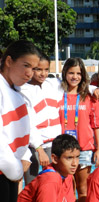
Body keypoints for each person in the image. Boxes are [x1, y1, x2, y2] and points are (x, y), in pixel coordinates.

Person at [58, 57, 99, 202]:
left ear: (83, 75)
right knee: (65, 188)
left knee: (83, 188)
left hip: (84, 149)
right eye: (71, 73)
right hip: (62, 150)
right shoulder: (58, 95)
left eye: (78, 73)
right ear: (65, 73)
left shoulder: (89, 96)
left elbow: (96, 125)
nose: (75, 77)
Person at [0, 40, 40, 202]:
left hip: (9, 173)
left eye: (33, 68)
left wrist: (24, 156)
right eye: (26, 65)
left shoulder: (17, 91)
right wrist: (16, 169)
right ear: (9, 61)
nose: (30, 73)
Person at [21, 52, 62, 185]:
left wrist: (93, 88)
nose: (43, 74)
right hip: (34, 149)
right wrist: (39, 149)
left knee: (52, 185)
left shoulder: (53, 84)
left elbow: (75, 85)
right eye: (38, 69)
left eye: (46, 69)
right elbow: (29, 123)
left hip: (53, 146)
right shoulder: (23, 90)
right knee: (33, 186)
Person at [18, 134, 80, 202]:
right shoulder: (50, 181)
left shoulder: (68, 175)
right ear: (55, 159)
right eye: (69, 158)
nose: (75, 163)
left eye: (77, 157)